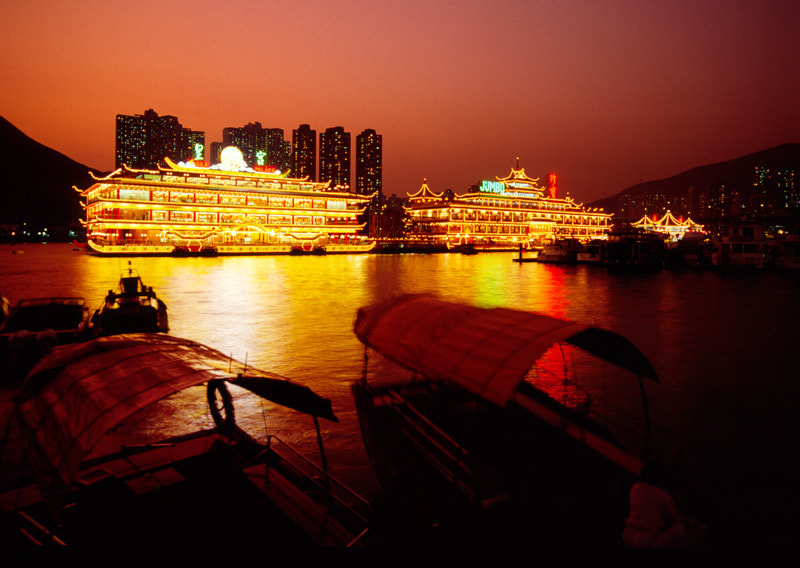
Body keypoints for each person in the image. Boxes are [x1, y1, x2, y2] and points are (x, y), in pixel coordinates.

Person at [623, 463, 706, 550]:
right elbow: (676, 519)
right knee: (681, 529)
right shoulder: (664, 496)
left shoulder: (635, 489)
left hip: (628, 534)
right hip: (647, 540)